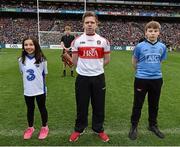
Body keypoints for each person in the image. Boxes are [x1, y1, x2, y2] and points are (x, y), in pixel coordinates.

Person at [69, 11, 111, 142]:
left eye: (92, 22)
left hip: (98, 78)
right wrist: (84, 69)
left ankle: (98, 128)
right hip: (82, 78)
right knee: (82, 105)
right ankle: (79, 128)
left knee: (99, 105)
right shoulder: (77, 41)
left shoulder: (104, 41)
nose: (89, 25)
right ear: (83, 24)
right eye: (87, 22)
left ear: (97, 24)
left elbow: (107, 59)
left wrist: (96, 68)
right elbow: (74, 60)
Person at [128, 21, 167, 140]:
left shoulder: (162, 46)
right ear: (146, 33)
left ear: (159, 33)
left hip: (157, 79)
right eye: (150, 31)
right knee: (138, 104)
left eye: (155, 31)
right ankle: (134, 126)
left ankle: (152, 125)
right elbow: (134, 61)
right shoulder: (140, 46)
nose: (153, 33)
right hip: (141, 79)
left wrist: (153, 72)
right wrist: (141, 72)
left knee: (154, 104)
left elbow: (160, 61)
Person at [18, 37, 49, 140]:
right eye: (26, 45)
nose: (28, 47)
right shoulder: (21, 60)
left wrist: (45, 88)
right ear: (23, 47)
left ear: (35, 45)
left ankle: (45, 127)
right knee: (30, 109)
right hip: (28, 90)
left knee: (42, 108)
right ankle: (30, 128)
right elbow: (22, 73)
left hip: (40, 89)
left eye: (31, 44)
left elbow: (44, 74)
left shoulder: (42, 59)